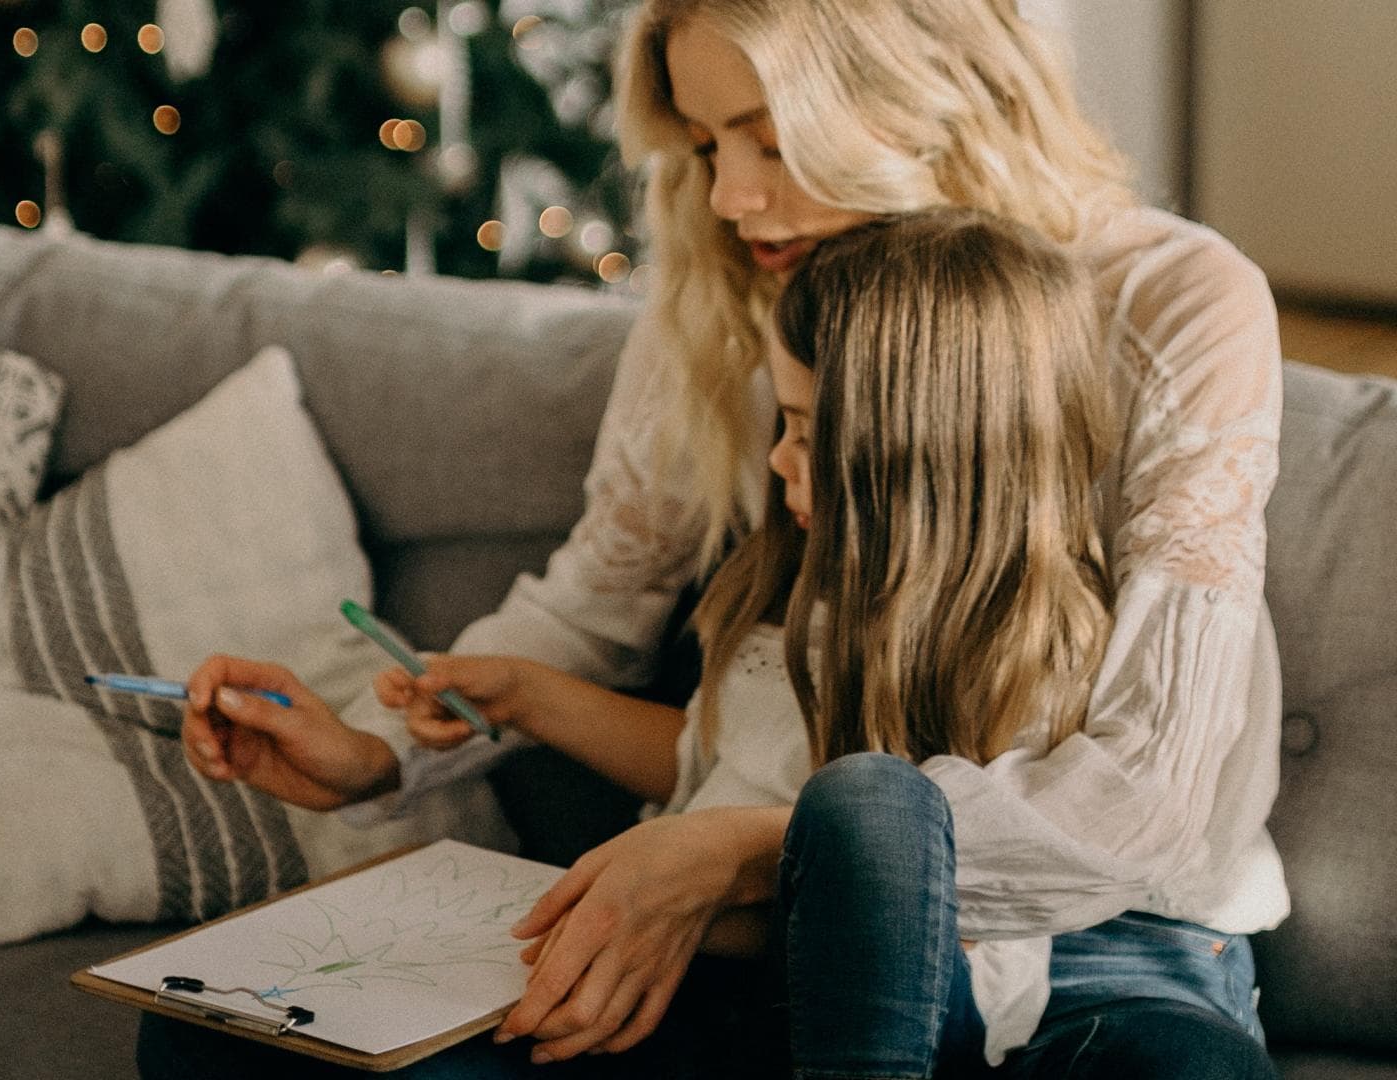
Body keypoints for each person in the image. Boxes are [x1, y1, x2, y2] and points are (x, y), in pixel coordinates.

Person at [154, 0, 1288, 1074]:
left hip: (1098, 942)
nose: (733, 200)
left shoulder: (1172, 304)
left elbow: (1147, 796)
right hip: (745, 931)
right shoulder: (737, 301)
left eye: (770, 140)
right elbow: (596, 606)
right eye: (704, 148)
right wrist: (380, 753)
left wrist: (752, 853)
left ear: (917, 98)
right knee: (229, 1037)